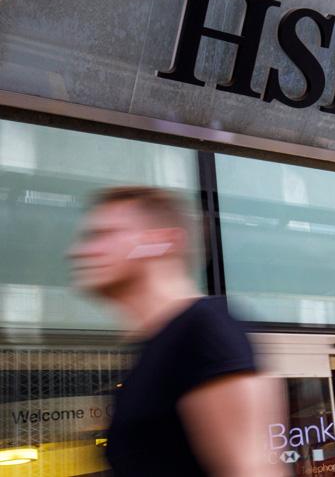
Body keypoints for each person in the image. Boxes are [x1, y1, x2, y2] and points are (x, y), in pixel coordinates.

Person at [69, 186, 284, 476]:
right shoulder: (153, 348)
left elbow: (250, 470)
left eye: (104, 234)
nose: (80, 252)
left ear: (162, 242)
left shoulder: (203, 332)